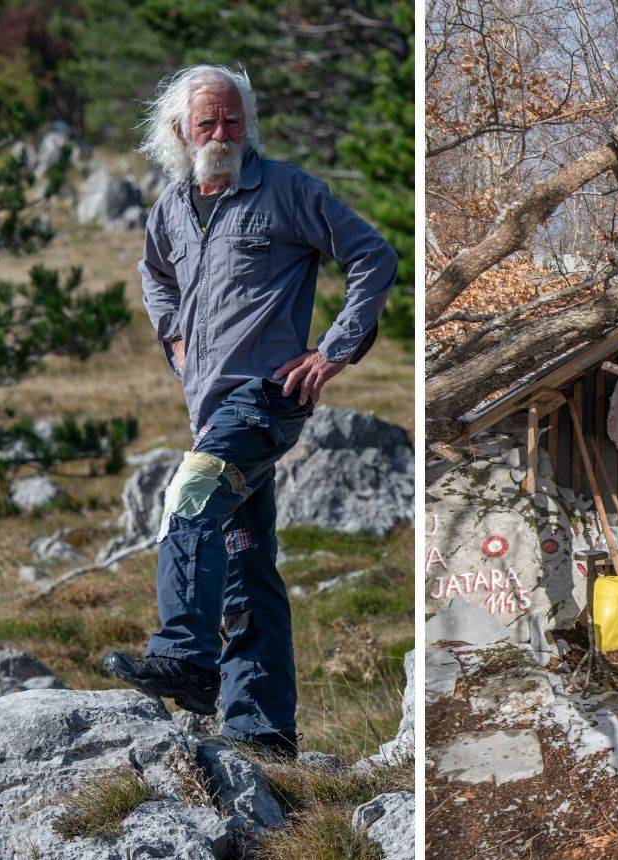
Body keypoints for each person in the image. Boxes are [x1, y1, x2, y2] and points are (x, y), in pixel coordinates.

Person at [104, 64, 397, 757]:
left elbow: (373, 257)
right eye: (208, 122)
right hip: (207, 410)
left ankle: (187, 658)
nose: (222, 133)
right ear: (180, 131)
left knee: (193, 491)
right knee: (246, 563)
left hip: (266, 399)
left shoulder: (288, 189)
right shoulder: (170, 207)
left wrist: (330, 352)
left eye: (233, 120)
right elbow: (154, 274)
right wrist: (171, 332)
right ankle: (263, 729)